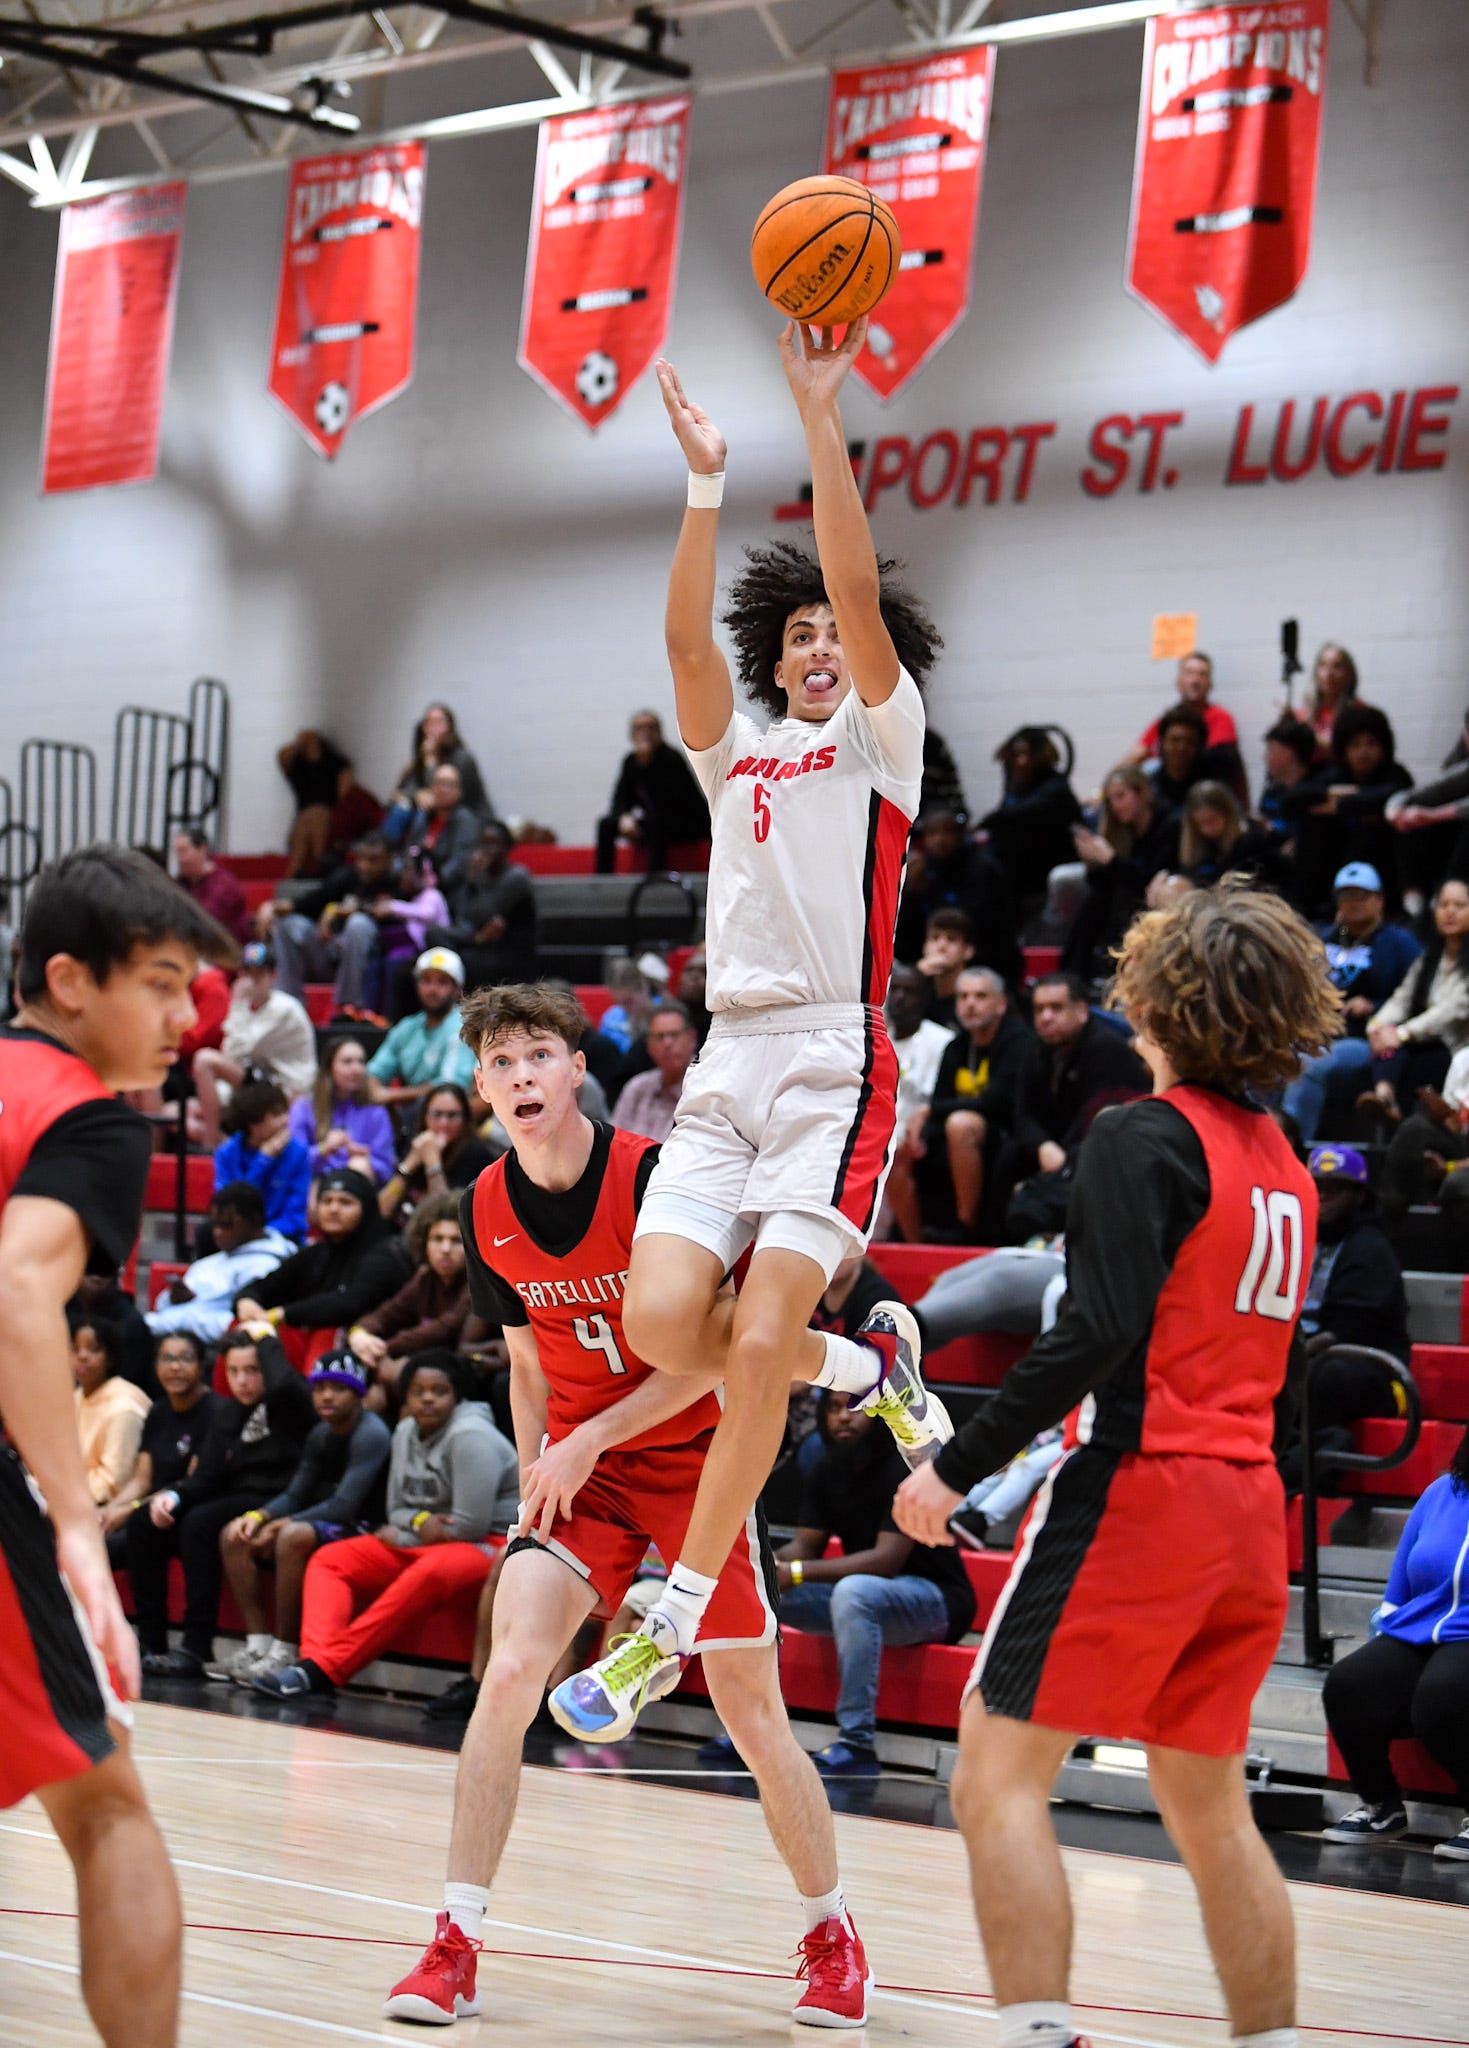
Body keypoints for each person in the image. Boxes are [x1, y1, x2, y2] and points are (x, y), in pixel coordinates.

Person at [552, 322, 952, 1746]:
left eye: (835, 631)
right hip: (725, 1064)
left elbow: (852, 575)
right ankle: (875, 1366)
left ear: (866, 657)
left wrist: (817, 413)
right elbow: (680, 643)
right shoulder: (738, 758)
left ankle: (671, 1617)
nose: (818, 641)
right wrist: (706, 487)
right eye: (793, 635)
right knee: (665, 1322)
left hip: (837, 1060)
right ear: (775, 664)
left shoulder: (878, 745)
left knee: (761, 1327)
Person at [891, 880, 1342, 2048]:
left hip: (1143, 1486)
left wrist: (955, 1465)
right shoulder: (1281, 1162)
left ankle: (1036, 2032)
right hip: (1247, 1506)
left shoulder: (1139, 1133)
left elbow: (1091, 1331)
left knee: (990, 1774)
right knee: (1207, 1804)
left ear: (1156, 993)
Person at [384, 981, 875, 2028]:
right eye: (500, 1062)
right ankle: (452, 1941)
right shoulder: (480, 1206)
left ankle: (831, 1932)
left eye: (536, 1056)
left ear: (575, 1070)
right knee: (508, 1669)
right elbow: (524, 1364)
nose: (519, 1076)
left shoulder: (658, 1177)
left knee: (751, 1714)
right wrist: (534, 1475)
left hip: (697, 1458)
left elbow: (723, 1355)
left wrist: (591, 1432)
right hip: (581, 1475)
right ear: (478, 1085)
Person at [0, 843, 229, 2048]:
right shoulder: (86, 1115)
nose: (183, 1017)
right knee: (106, 1804)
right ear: (70, 979)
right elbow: (16, 1295)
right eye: (159, 982)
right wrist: (78, 1525)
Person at [253, 1352, 517, 1700]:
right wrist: (420, 1523)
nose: (426, 1398)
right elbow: (396, 1509)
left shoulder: (472, 1437)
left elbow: (468, 1527)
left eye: (439, 1391)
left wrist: (410, 1529)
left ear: (456, 1397)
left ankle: (327, 1668)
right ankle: (312, 1663)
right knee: (332, 1559)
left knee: (430, 1570)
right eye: (418, 1391)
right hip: (424, 1540)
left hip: (492, 1546)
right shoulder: (405, 1430)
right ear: (404, 1397)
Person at [761, 1389, 978, 1775]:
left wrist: (794, 1573)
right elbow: (806, 1545)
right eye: (832, 1408)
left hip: (938, 1600)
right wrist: (764, 1564)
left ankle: (856, 1743)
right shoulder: (827, 1469)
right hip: (874, 1597)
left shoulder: (900, 1467)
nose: (843, 1417)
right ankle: (759, 1728)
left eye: (853, 1407)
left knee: (854, 1592)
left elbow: (885, 1561)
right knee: (762, 1594)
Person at [124, 1328, 317, 1677]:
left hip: (280, 1499)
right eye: (234, 1371)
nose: (242, 1380)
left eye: (253, 1370)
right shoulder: (226, 1414)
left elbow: (287, 1385)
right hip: (233, 1498)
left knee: (201, 1521)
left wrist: (265, 1336)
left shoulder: (289, 1404)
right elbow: (207, 1476)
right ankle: (151, 1641)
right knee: (144, 1521)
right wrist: (173, 1495)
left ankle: (197, 1644)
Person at [1320, 1424, 1469, 1860]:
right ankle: (1381, 1807)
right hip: (1421, 1628)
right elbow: (1401, 1578)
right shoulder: (1442, 1492)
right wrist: (1386, 1626)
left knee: (1442, 1696)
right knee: (1350, 1684)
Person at [219, 1349, 392, 1686]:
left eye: (337, 1388)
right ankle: (258, 1646)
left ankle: (285, 1649)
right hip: (334, 1520)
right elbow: (296, 1494)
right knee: (234, 1532)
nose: (326, 1395)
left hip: (371, 1525)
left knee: (291, 1535)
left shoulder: (371, 1433)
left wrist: (282, 1524)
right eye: (319, 1388)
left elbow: (345, 1505)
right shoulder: (320, 1434)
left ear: (357, 1393)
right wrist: (259, 1516)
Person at [1281, 872, 1454, 1141]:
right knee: (1268, 1061)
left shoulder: (1399, 943)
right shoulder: (1322, 940)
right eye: (1345, 895)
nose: (1353, 902)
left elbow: (1414, 999)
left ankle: (1293, 1147)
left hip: (1361, 1039)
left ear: (1379, 900)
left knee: (1309, 1066)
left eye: (1361, 895)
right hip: (1316, 1032)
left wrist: (1373, 1008)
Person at [996, 972, 1149, 1238]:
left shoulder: (1107, 1049)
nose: (1045, 1017)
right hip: (1054, 1150)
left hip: (1095, 1156)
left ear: (1081, 1010)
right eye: (1039, 1009)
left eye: (1056, 1008)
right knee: (1008, 1154)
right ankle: (987, 1242)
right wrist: (1043, 1146)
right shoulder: (1035, 1049)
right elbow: (1023, 1113)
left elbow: (1101, 1124)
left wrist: (1060, 1161)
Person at [905, 968, 1034, 1243]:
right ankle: (912, 1241)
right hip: (961, 1132)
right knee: (901, 1144)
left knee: (961, 1124)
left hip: (1006, 1132)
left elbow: (994, 1102)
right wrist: (925, 1123)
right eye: (963, 997)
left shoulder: (1019, 1041)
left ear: (1001, 1004)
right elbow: (939, 1099)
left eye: (980, 996)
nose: (970, 1004)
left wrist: (929, 1110)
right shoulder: (956, 1046)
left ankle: (967, 1226)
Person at [235, 1167, 410, 1368]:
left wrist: (280, 1314)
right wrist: (246, 1301)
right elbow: (267, 1286)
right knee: (242, 1331)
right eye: (327, 1201)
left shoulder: (385, 1253)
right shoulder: (315, 1253)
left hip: (367, 1348)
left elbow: (349, 1303)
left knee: (326, 1335)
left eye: (345, 1202)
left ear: (366, 1209)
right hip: (310, 1343)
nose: (333, 1209)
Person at [1281, 703, 1414, 918]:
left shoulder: (1395, 774)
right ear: (1344, 749)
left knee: (1369, 831)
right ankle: (1307, 908)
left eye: (1371, 744)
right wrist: (1337, 797)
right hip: (1331, 865)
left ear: (1383, 747)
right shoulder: (1336, 775)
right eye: (1355, 745)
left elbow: (1394, 795)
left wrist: (1342, 805)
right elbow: (1291, 799)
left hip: (1382, 870)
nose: (1363, 752)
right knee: (1312, 825)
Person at [189, 938, 317, 1150]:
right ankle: (226, 1145)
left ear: (273, 976)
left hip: (288, 1090)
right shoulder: (250, 1007)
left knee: (205, 1061)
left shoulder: (283, 1009)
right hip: (259, 1080)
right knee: (181, 1113)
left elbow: (234, 1052)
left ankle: (210, 1147)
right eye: (247, 974)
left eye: (259, 975)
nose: (251, 982)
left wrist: (237, 1004)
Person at [99, 1332, 217, 1559]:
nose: (175, 1367)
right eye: (167, 1358)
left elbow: (190, 1483)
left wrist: (130, 1511)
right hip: (148, 1507)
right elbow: (141, 1480)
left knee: (107, 1547)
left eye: (185, 1359)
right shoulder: (158, 1411)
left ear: (201, 1367)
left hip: (182, 1510)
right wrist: (110, 1510)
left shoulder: (215, 1413)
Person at [349, 1191, 473, 1405]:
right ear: (424, 1242)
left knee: (397, 1374)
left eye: (455, 1241)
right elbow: (386, 1314)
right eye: (437, 1239)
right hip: (423, 1363)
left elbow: (445, 1327)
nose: (445, 1249)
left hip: (465, 1373)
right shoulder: (425, 1277)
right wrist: (359, 1334)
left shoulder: (477, 1282)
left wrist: (383, 1349)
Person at [1062, 764, 1181, 983]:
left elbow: (1147, 879)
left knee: (1121, 899)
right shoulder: (1121, 829)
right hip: (1128, 897)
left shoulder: (1171, 823)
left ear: (1143, 793)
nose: (1116, 806)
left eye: (1121, 796)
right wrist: (1093, 862)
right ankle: (1074, 975)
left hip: (1161, 897)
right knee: (1094, 900)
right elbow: (1104, 883)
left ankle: (1108, 972)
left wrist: (1110, 860)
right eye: (1110, 801)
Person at [1297, 1145, 1409, 1363]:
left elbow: (1346, 1331)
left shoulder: (1371, 1250)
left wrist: (1289, 1359)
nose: (1322, 1197)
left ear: (1359, 1196)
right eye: (1316, 1187)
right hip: (1305, 1353)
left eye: (1335, 1189)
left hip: (1359, 1361)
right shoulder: (1296, 1235)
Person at [146, 1182, 294, 1344]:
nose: (218, 1232)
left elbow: (236, 1325)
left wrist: (180, 1320)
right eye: (215, 1224)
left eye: (227, 1225)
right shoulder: (208, 1263)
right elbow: (161, 1307)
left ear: (255, 1221)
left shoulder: (267, 1267)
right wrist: (173, 1299)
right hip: (167, 1331)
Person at [895, 808, 1022, 992]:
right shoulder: (918, 871)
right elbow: (904, 933)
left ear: (960, 835)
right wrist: (911, 893)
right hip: (926, 962)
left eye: (947, 831)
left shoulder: (984, 869)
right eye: (932, 833)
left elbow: (995, 927)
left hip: (985, 959)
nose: (939, 839)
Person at [270, 832, 398, 1011]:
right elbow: (316, 900)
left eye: (373, 860)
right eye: (360, 859)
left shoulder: (398, 882)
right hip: (331, 949)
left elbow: (391, 911)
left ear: (389, 861)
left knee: (358, 924)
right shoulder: (349, 875)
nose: (364, 866)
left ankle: (349, 1008)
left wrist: (342, 910)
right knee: (289, 925)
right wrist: (275, 907)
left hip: (368, 958)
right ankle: (288, 1005)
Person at [595, 708, 712, 873]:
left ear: (659, 732)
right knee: (606, 824)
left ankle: (652, 882)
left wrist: (646, 766)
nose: (646, 733)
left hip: (687, 824)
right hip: (654, 823)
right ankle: (602, 882)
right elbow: (620, 798)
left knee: (657, 821)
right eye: (640, 728)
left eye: (651, 727)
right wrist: (624, 817)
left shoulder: (671, 758)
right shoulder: (630, 762)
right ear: (632, 735)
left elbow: (670, 804)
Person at [980, 728, 1082, 908]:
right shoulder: (1016, 787)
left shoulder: (1056, 787)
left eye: (1027, 754)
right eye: (1016, 755)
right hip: (1020, 873)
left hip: (1047, 871)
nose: (1021, 761)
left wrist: (986, 823)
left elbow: (1015, 816)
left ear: (1040, 756)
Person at [367, 948, 479, 1110]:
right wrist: (374, 1089)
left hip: (452, 1116)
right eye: (426, 981)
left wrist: (390, 1095)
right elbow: (375, 1072)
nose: (432, 989)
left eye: (442, 982)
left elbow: (451, 1087)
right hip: (412, 1116)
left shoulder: (464, 1026)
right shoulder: (406, 1027)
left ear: (458, 990)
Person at [211, 1076, 313, 1245]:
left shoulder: (298, 1153)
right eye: (276, 1114)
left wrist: (261, 1236)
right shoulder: (226, 1154)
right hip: (236, 1236)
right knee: (206, 1233)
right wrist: (262, 1161)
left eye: (285, 1112)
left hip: (281, 1237)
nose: (286, 1121)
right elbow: (230, 1206)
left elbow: (294, 1216)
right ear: (253, 1124)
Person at [436, 820, 538, 989]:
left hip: (510, 954)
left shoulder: (517, 876)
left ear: (507, 846)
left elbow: (487, 914)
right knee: (434, 935)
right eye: (483, 843)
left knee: (465, 960)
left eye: (493, 843)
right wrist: (470, 881)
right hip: (482, 945)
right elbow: (463, 916)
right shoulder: (480, 876)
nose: (486, 850)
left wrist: (474, 879)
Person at [378, 1082, 494, 1223]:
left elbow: (446, 1216)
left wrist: (433, 1163)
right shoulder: (416, 1143)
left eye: (452, 1116)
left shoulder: (475, 1154)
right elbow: (381, 1211)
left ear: (465, 1119)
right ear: (424, 1117)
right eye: (437, 1114)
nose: (443, 1123)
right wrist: (409, 1163)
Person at [288, 1037, 397, 1186]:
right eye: (347, 1062)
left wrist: (366, 1157)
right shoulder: (304, 1107)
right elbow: (292, 1162)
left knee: (359, 1166)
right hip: (315, 1183)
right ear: (329, 1067)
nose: (357, 1069)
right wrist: (322, 1149)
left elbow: (386, 1168)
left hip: (358, 1187)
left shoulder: (376, 1112)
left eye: (361, 1062)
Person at [72, 1315, 151, 1507]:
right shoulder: (77, 1395)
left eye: (93, 1349)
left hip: (109, 1508)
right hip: (72, 1495)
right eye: (75, 1349)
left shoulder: (124, 1407)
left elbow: (114, 1484)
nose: (82, 1356)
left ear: (111, 1358)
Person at [386, 703, 491, 840]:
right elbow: (401, 792)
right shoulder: (420, 759)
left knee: (423, 814)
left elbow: (444, 796)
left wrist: (431, 761)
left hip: (465, 813)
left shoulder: (462, 758)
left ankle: (419, 857)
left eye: (438, 722)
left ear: (450, 727)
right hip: (435, 811)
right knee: (401, 810)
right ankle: (384, 852)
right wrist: (418, 794)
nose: (433, 728)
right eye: (429, 723)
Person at [612, 998, 698, 1143]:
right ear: (649, 1046)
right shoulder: (637, 1088)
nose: (667, 1043)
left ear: (692, 1039)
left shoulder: (706, 1087)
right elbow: (613, 1145)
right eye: (660, 1036)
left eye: (674, 1035)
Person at [1130, 651, 1240, 763]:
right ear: (1178, 681)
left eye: (1202, 674)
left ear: (1210, 684)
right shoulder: (1170, 719)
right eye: (1189, 673)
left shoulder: (1220, 718)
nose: (1195, 681)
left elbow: (1218, 762)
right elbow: (1136, 755)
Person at [277, 728, 353, 876]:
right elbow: (281, 756)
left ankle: (301, 870)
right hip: (302, 823)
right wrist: (298, 745)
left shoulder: (337, 765)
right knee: (310, 816)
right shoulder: (297, 766)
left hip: (328, 821)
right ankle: (314, 867)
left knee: (316, 814)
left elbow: (343, 797)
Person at [172, 827, 251, 946]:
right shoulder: (181, 883)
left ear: (202, 850)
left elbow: (204, 922)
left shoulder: (224, 885)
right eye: (177, 852)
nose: (180, 858)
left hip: (225, 951)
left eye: (184, 851)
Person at [915, 905, 977, 1028]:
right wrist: (916, 975)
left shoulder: (974, 998)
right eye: (935, 938)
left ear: (968, 951)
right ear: (925, 947)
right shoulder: (915, 990)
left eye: (951, 939)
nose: (942, 946)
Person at [1146, 702, 1210, 812]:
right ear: (1161, 743)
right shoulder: (1147, 789)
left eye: (1190, 742)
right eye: (1175, 740)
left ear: (1200, 747)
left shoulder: (1212, 790)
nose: (1181, 748)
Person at [1301, 642, 1361, 753]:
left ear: (1349, 674)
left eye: (1337, 666)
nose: (1329, 673)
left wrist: (1305, 734)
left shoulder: (1359, 712)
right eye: (1323, 665)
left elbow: (1346, 752)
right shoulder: (1306, 713)